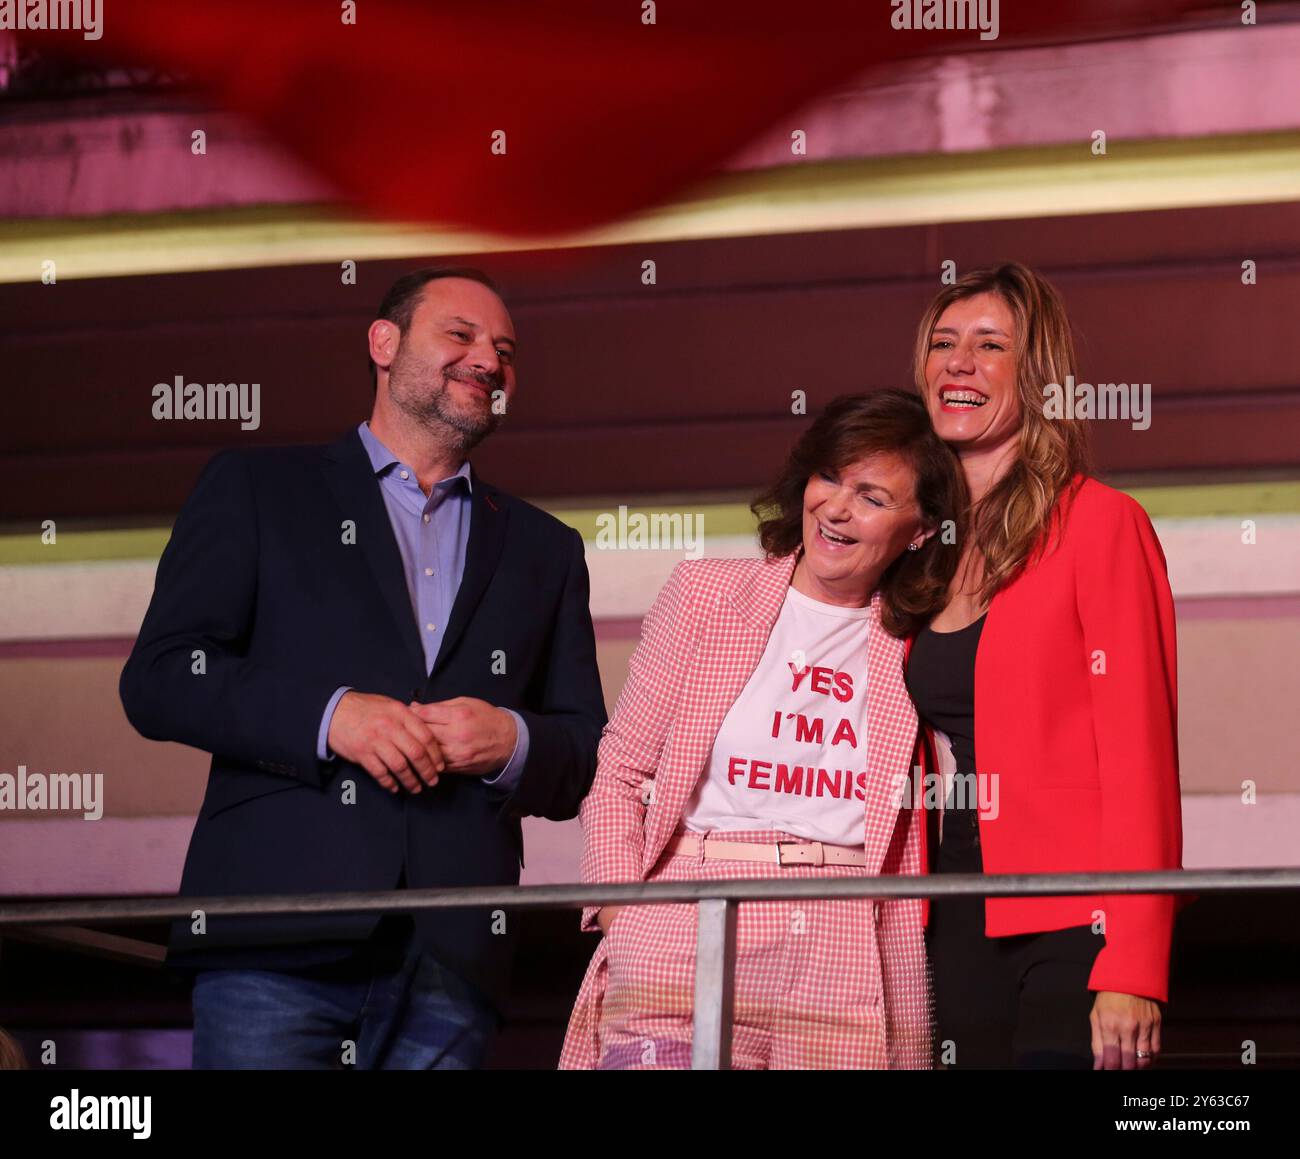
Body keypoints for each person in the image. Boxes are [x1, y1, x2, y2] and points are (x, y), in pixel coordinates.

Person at [120, 266, 606, 1069]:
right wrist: (330, 715)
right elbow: (163, 676)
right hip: (276, 944)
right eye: (462, 334)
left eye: (505, 349)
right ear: (384, 343)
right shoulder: (257, 489)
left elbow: (589, 751)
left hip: (453, 964)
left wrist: (512, 740)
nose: (490, 358)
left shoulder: (545, 548)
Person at [560, 390, 963, 1069]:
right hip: (688, 915)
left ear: (921, 529)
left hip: (845, 933)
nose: (836, 507)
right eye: (829, 476)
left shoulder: (923, 641)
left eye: (871, 495)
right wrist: (621, 913)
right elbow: (621, 769)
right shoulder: (704, 594)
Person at [905, 261, 1182, 1070]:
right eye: (944, 343)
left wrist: (1133, 962)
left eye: (989, 345)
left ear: (1038, 377)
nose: (959, 362)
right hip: (946, 915)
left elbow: (1141, 762)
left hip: (1076, 925)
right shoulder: (916, 548)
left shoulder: (1102, 524)